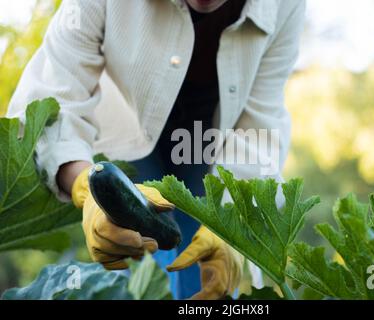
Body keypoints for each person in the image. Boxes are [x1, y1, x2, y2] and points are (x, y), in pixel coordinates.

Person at [7, 0, 306, 299]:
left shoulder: (285, 6)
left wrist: (234, 227)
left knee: (202, 274)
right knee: (135, 255)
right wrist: (86, 187)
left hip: (208, 137)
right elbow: (53, 98)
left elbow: (257, 125)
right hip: (127, 126)